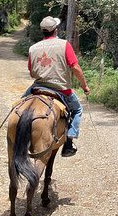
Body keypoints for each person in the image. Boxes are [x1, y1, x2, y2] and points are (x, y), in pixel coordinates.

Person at [27, 16, 90, 157]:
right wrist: (84, 86)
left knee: (20, 104)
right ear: (55, 30)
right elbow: (75, 67)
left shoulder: (33, 48)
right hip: (61, 90)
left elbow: (31, 73)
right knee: (77, 110)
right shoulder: (64, 44)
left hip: (38, 87)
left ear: (43, 31)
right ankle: (68, 141)